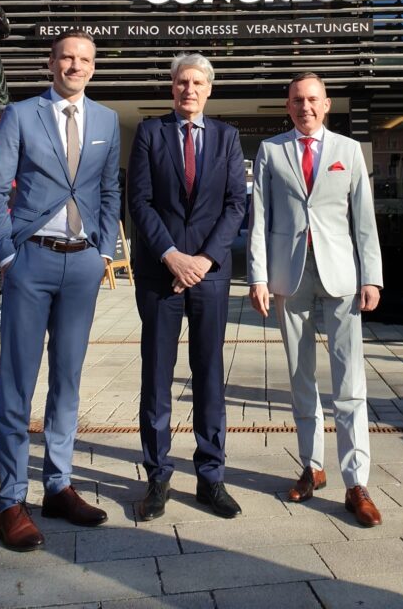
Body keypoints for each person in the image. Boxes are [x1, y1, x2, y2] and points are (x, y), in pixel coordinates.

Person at [0, 32, 120, 551]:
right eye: (67, 57)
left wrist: (103, 251)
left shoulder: (106, 121)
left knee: (68, 378)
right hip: (31, 260)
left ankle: (58, 486)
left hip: (82, 263)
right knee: (17, 382)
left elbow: (110, 190)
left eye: (84, 59)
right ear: (51, 62)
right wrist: (6, 256)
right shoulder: (20, 115)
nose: (75, 66)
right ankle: (10, 500)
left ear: (93, 68)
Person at [247, 72, 384, 526]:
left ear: (326, 105)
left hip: (341, 275)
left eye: (312, 99)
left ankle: (356, 482)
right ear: (288, 106)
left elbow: (364, 219)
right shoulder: (271, 151)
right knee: (300, 376)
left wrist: (372, 277)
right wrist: (258, 277)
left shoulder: (348, 150)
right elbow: (260, 218)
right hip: (290, 275)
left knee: (350, 382)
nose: (304, 107)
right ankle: (312, 467)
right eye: (296, 100)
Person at [128, 53, 247, 521]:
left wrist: (202, 260)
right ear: (172, 87)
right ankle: (157, 476)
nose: (189, 90)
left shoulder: (227, 137)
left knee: (209, 375)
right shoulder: (150, 133)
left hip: (210, 275)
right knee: (157, 376)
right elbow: (140, 201)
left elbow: (235, 205)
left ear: (209, 89)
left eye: (197, 83)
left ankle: (210, 477)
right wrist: (171, 256)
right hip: (160, 274)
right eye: (182, 82)